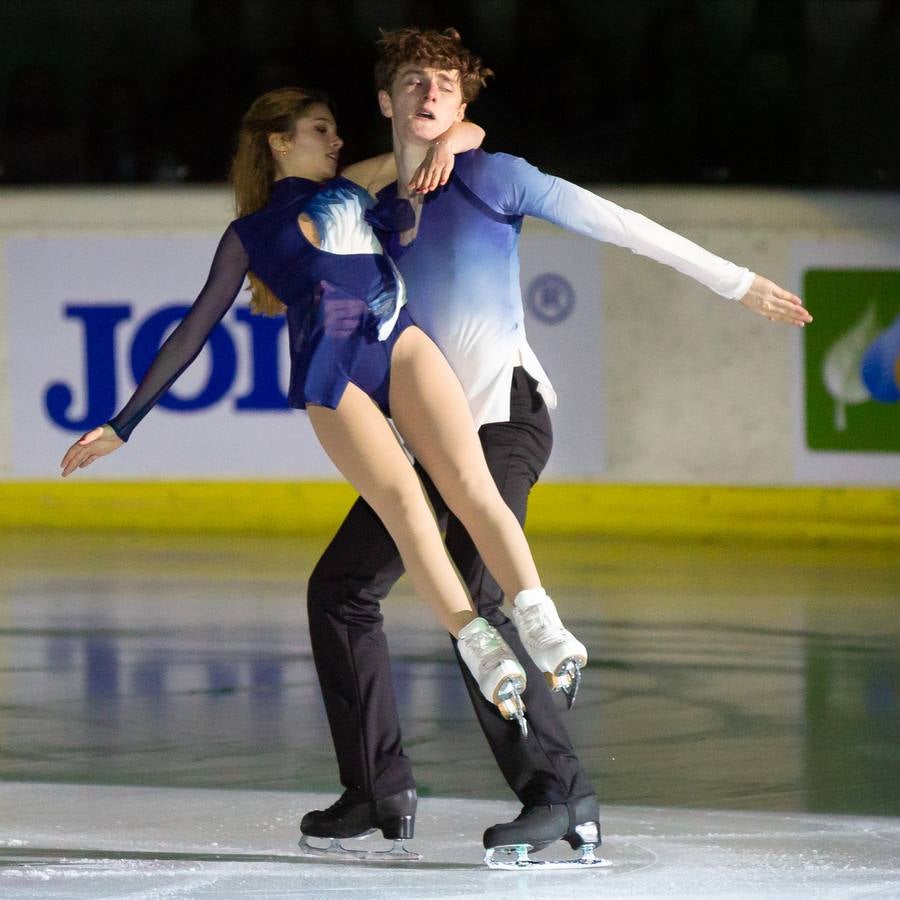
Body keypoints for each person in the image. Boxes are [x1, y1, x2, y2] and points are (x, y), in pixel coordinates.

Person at [304, 26, 813, 868]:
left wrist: (737, 281)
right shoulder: (371, 212)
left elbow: (617, 222)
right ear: (386, 101)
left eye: (447, 87)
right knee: (341, 590)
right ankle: (377, 788)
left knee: (473, 594)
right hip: (429, 443)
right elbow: (307, 203)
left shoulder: (495, 176)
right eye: (413, 83)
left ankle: (562, 794)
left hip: (504, 415)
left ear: (466, 106)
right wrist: (405, 162)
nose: (431, 94)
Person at [58, 85, 593, 857]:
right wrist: (124, 422)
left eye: (337, 129)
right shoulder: (249, 233)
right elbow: (192, 329)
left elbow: (454, 138)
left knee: (468, 482)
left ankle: (542, 627)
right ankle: (479, 648)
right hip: (332, 372)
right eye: (318, 130)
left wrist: (448, 139)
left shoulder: (358, 185)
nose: (335, 140)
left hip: (396, 338)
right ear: (277, 142)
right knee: (408, 507)